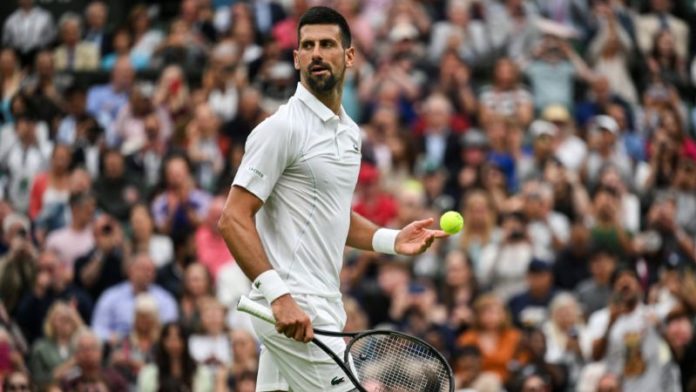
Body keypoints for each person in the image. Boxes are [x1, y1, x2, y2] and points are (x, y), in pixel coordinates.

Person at [217, 7, 446, 392]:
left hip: (320, 307)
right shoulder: (281, 129)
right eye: (307, 46)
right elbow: (233, 219)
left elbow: (334, 214)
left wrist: (391, 240)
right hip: (294, 308)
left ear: (350, 56)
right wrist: (281, 297)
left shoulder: (351, 134)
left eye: (327, 44)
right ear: (296, 58)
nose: (316, 53)